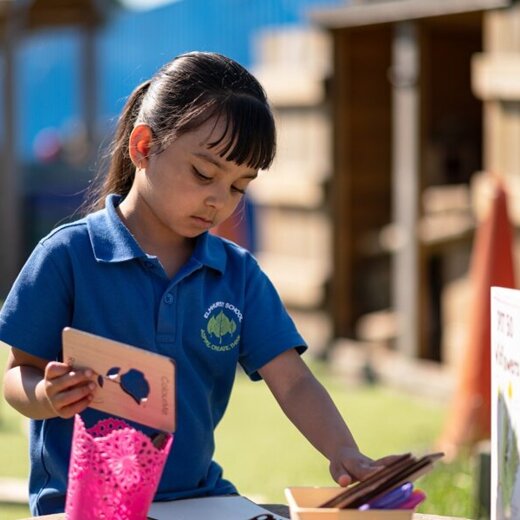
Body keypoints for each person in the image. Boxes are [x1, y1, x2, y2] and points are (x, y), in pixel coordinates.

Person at [1, 51, 394, 516]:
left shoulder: (238, 275)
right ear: (143, 146)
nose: (218, 200)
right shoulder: (67, 257)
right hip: (83, 506)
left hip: (199, 499)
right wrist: (47, 395)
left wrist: (344, 452)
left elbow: (293, 382)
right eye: (204, 174)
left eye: (238, 187)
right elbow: (16, 375)